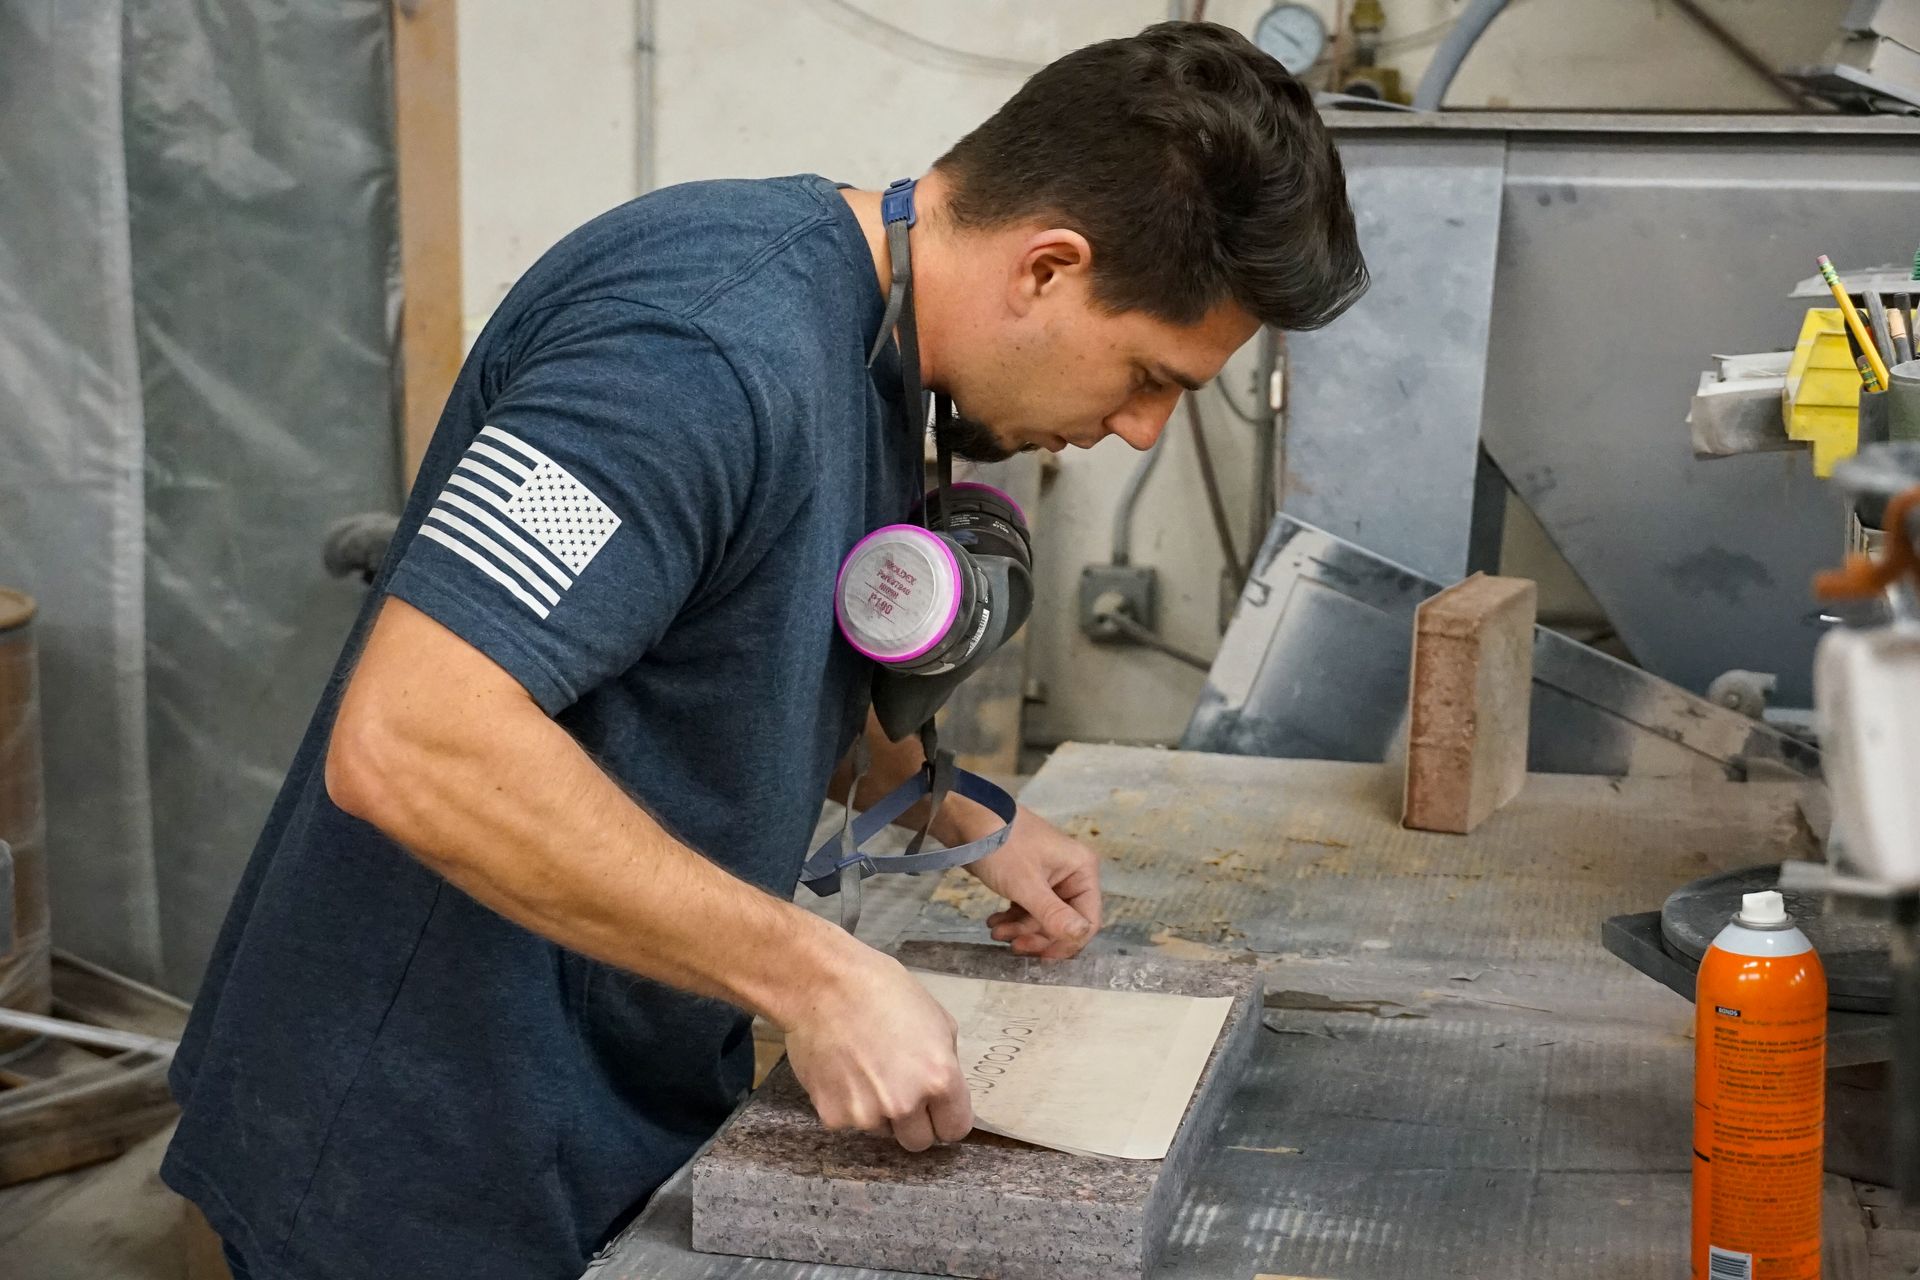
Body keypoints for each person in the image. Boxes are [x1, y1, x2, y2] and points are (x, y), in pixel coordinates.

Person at [161, 19, 1366, 1280]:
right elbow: (412, 738)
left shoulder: (884, 342)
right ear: (1049, 267)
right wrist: (819, 977)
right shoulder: (690, 352)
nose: (1137, 430)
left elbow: (730, 651)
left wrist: (957, 813)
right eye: (1147, 375)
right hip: (418, 1143)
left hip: (612, 1089)